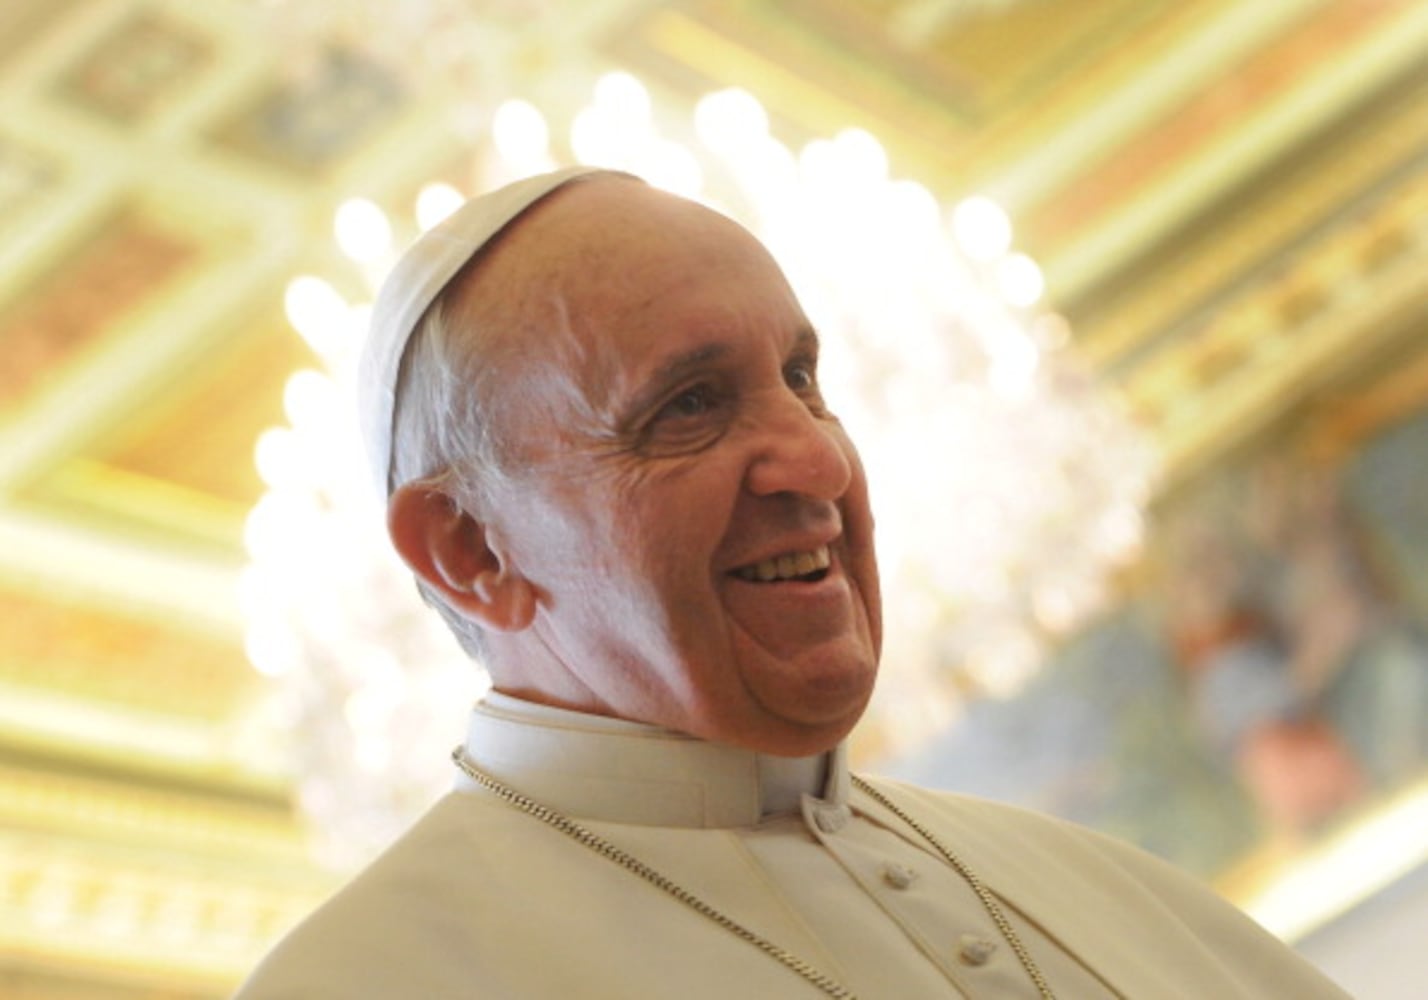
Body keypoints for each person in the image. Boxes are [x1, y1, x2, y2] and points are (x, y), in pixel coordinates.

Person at [235, 167, 1349, 998]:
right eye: (688, 405)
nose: (819, 460)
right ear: (471, 550)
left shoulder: (1094, 884)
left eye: (802, 378)